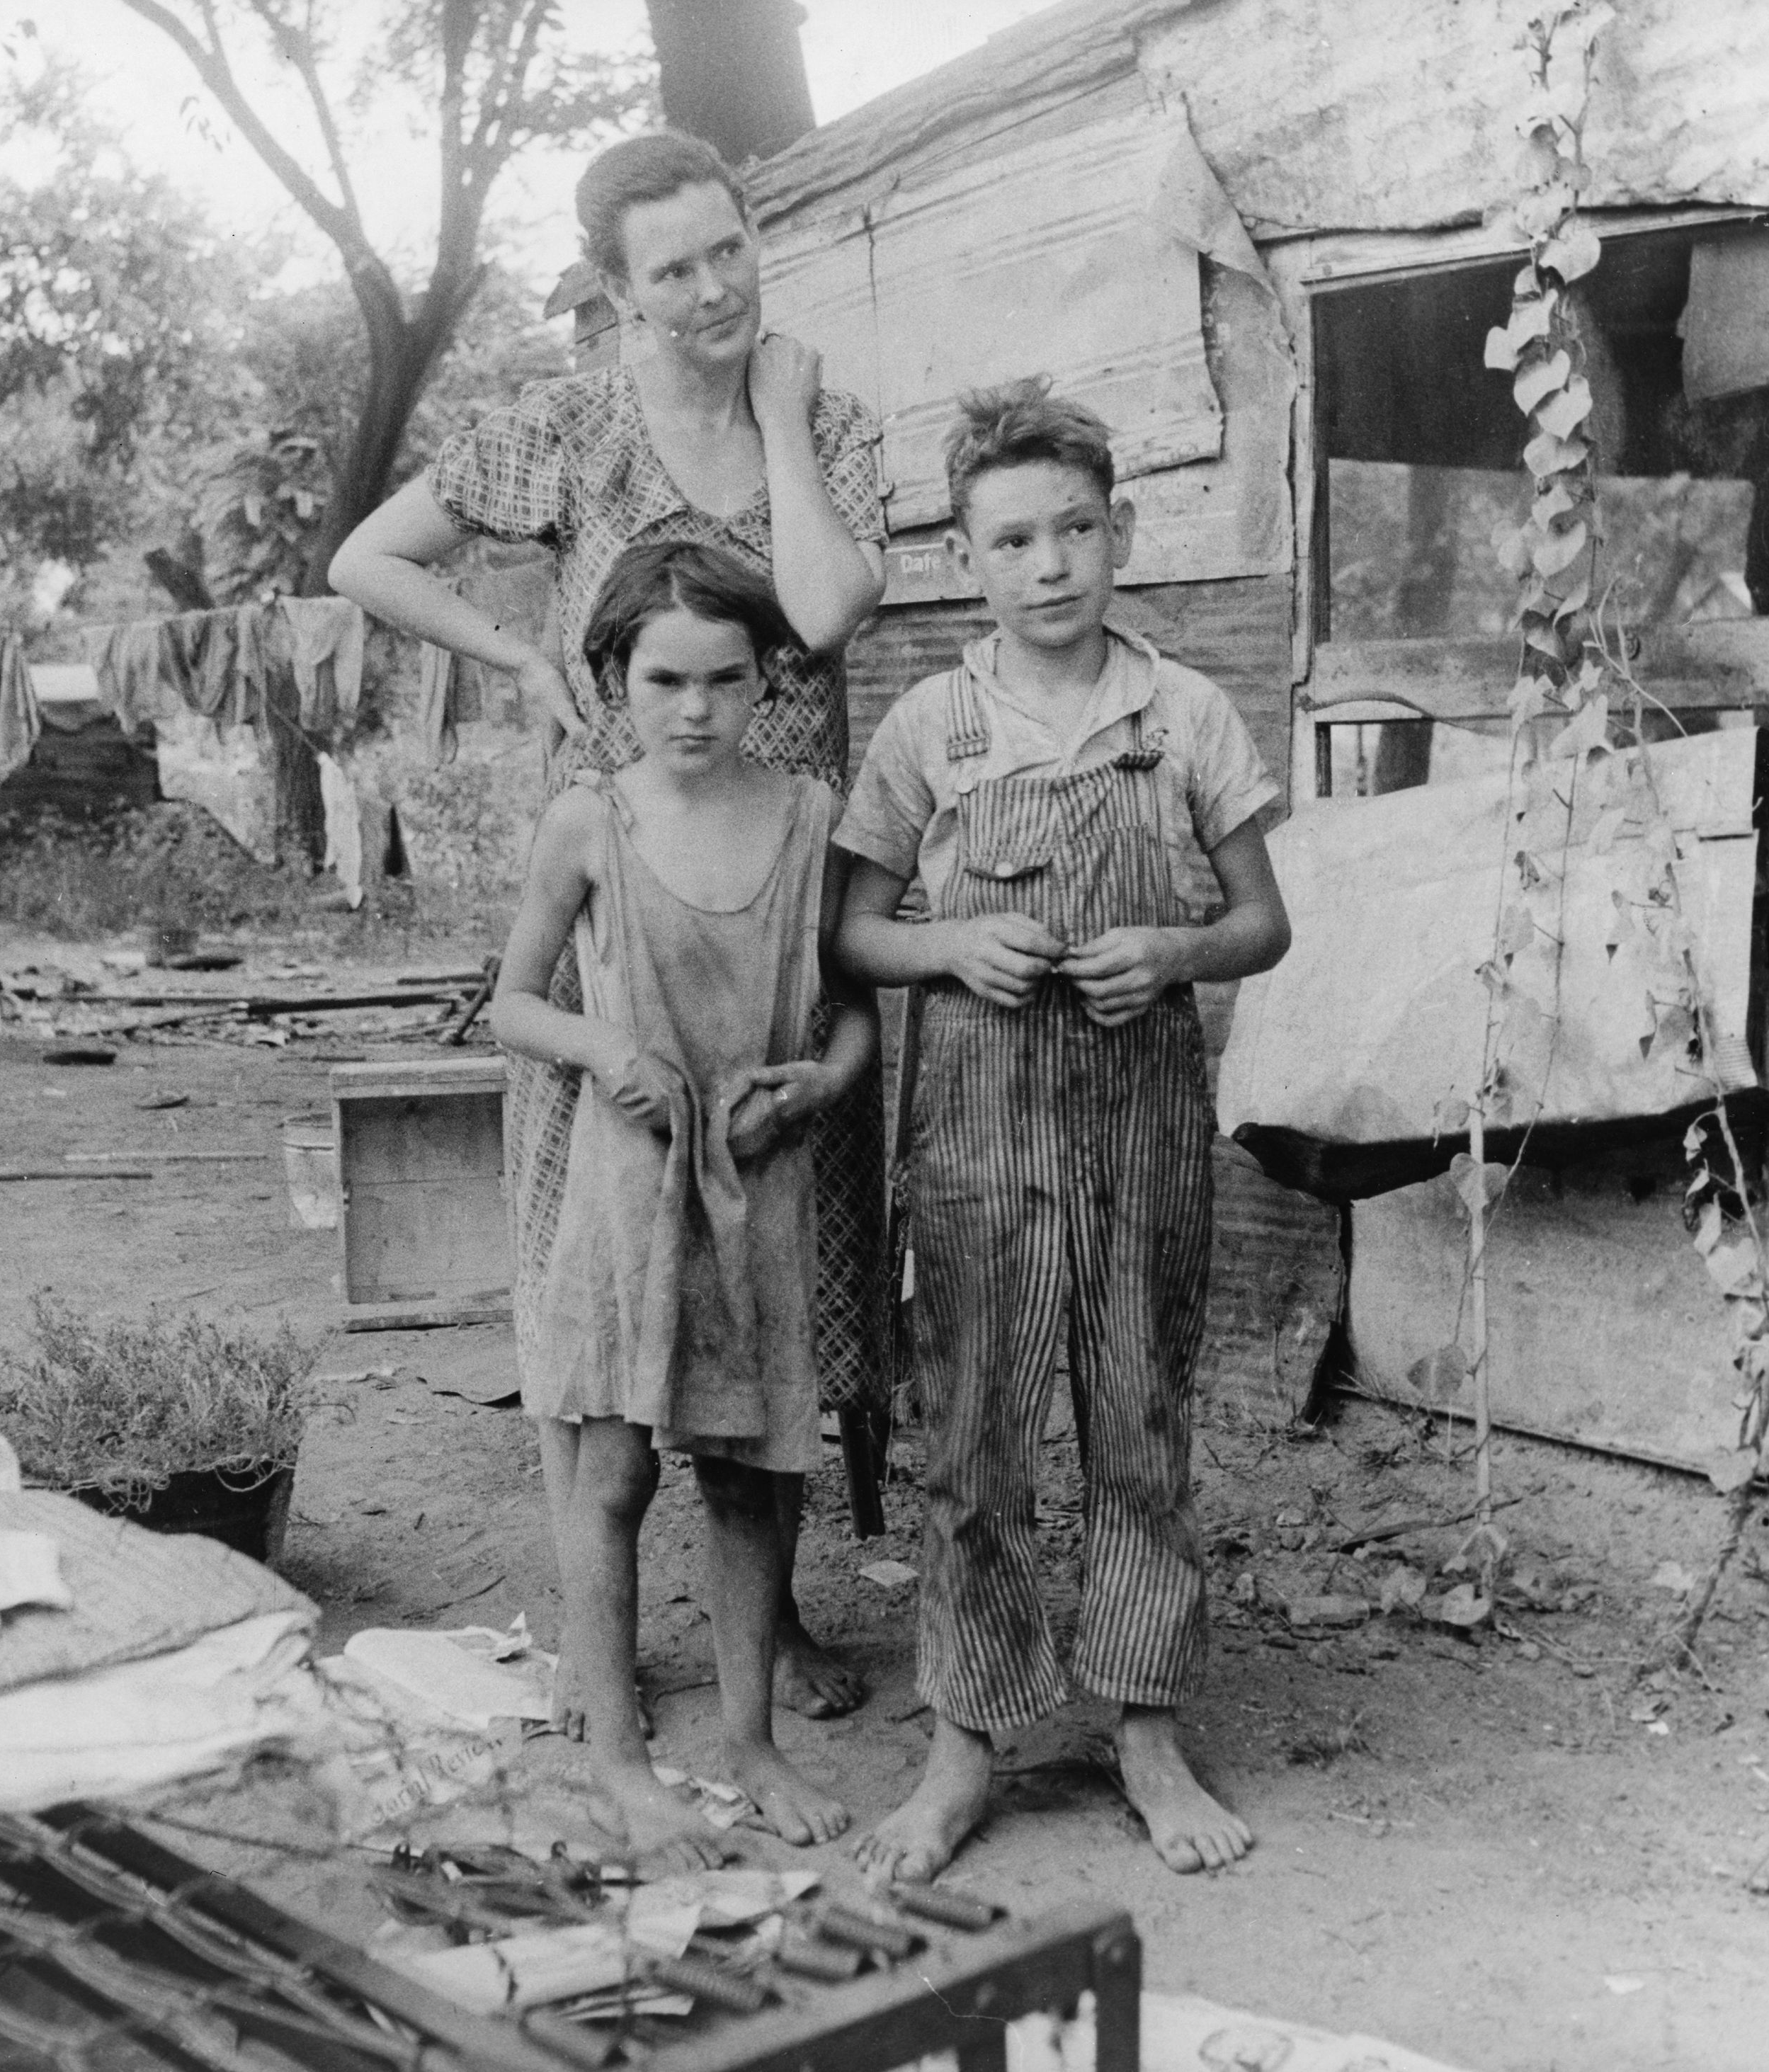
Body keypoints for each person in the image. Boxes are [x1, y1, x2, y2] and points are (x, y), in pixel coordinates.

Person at [329, 129, 887, 1724]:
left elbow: (831, 610)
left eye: (729, 249)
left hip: (783, 898)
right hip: (623, 901)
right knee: (611, 1259)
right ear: (612, 290)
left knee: (784, 1257)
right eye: (673, 270)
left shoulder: (824, 419)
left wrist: (768, 412)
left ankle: (763, 1631)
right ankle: (606, 1640)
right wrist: (513, 658)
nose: (713, 289)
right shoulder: (565, 429)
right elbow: (363, 556)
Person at [834, 378, 1292, 1882]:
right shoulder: (929, 726)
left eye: (1075, 530)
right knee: (972, 1434)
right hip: (971, 1134)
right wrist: (948, 944)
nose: (1050, 565)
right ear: (966, 556)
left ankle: (1144, 1723)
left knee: (1138, 1419)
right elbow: (852, 932)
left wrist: (1169, 951)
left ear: (1118, 532)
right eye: (1014, 537)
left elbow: (1258, 924)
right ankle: (964, 1742)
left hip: (1142, 1122)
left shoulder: (1184, 716)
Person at [489, 541, 876, 1867]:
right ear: (612, 679)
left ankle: (750, 1741)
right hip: (626, 1187)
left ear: (767, 677)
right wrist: (606, 1050)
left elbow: (858, 1012)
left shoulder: (810, 813)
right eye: (664, 680)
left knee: (754, 1473)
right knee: (612, 1465)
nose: (695, 708)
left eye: (724, 678)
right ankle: (616, 1756)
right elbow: (513, 1000)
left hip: (758, 1185)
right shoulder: (591, 821)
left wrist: (817, 1082)